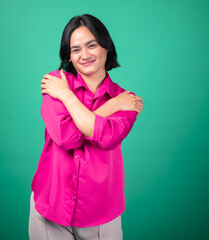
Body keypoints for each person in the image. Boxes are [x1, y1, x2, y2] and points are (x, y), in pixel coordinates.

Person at [29, 14, 143, 240]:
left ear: (106, 47)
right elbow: (66, 137)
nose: (85, 55)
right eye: (76, 49)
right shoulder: (56, 83)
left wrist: (67, 97)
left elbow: (107, 137)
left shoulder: (126, 101)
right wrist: (106, 106)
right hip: (50, 206)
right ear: (69, 57)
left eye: (91, 45)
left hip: (100, 214)